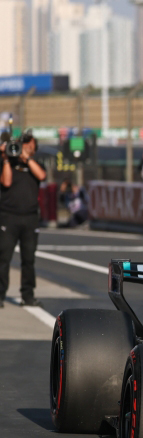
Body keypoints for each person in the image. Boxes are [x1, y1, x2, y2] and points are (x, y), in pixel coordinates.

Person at [0, 131, 46, 308]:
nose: (24, 148)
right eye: (22, 145)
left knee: (29, 259)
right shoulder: (7, 163)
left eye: (29, 146)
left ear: (34, 149)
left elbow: (41, 176)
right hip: (8, 217)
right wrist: (5, 158)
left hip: (30, 218)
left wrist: (26, 158)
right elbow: (6, 182)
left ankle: (27, 296)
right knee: (3, 258)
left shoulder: (36, 164)